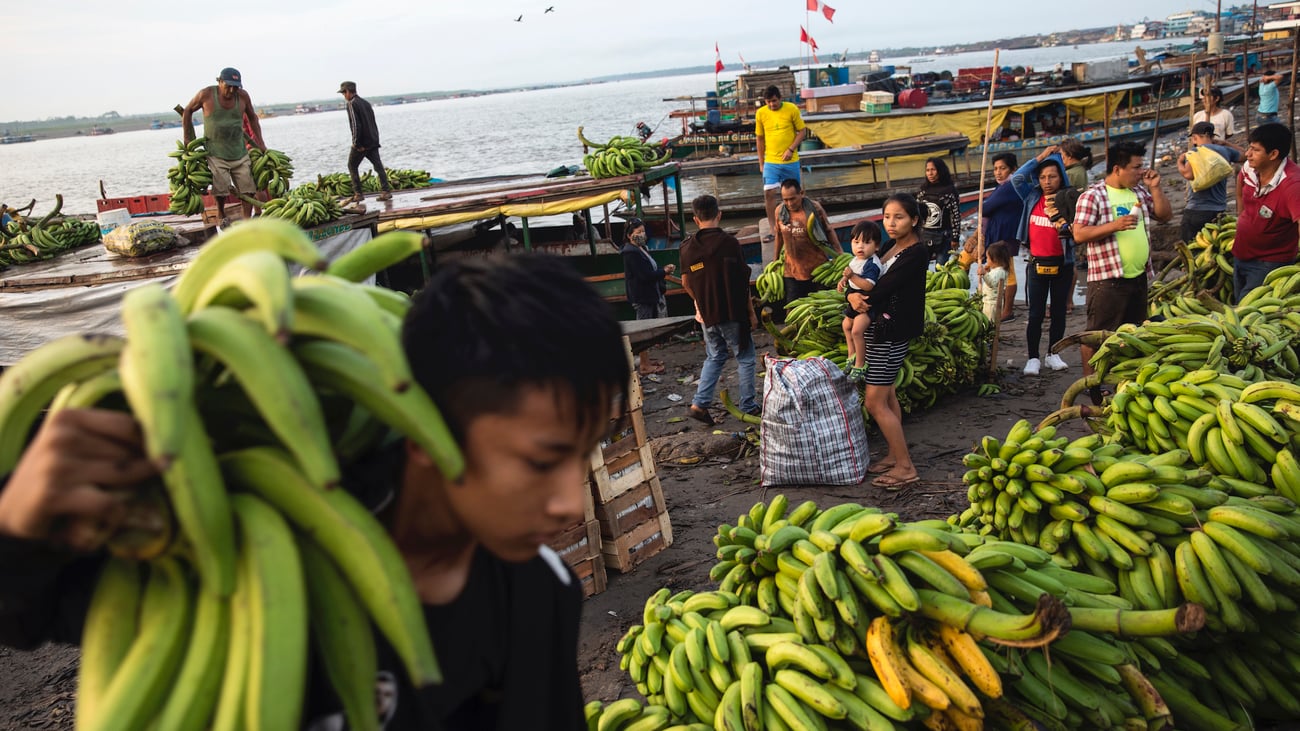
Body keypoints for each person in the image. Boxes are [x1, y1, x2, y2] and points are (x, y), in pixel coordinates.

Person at [0, 253, 631, 729]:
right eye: (540, 460)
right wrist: (16, 524)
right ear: (425, 428)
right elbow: (22, 617)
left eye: (584, 454)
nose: (569, 504)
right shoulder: (231, 550)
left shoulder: (538, 593)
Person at [1073, 141, 1173, 401]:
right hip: (1108, 280)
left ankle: (1122, 379)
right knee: (1097, 334)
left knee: (1134, 332)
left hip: (1138, 276)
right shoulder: (1093, 195)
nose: (1141, 172)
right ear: (1117, 169)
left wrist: (1156, 187)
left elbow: (1164, 215)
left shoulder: (1139, 191)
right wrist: (1114, 225)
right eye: (1136, 167)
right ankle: (1093, 384)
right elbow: (1079, 233)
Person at [860, 193, 929, 490]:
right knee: (888, 396)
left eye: (898, 217)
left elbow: (885, 287)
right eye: (887, 216)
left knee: (874, 402)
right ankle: (893, 454)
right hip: (881, 329)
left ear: (914, 220)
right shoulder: (890, 246)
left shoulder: (916, 252)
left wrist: (858, 297)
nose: (890, 222)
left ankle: (905, 467)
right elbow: (873, 279)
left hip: (892, 332)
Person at [680, 194, 759, 425]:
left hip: (705, 314)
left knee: (715, 356)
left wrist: (701, 302)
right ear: (719, 215)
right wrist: (751, 312)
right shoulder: (730, 244)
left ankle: (699, 403)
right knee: (745, 357)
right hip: (732, 312)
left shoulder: (687, 248)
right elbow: (742, 281)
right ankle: (748, 405)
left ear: (696, 219)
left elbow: (686, 283)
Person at [1009, 147, 1074, 376]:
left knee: (1058, 312)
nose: (1047, 181)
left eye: (1053, 176)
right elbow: (1016, 178)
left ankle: (1053, 354)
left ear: (1061, 177)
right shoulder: (1032, 196)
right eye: (1043, 177)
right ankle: (1033, 358)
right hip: (1037, 264)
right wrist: (1039, 157)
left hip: (1063, 264)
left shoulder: (1069, 198)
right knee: (1035, 313)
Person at [182, 67, 266, 225]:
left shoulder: (242, 96)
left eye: (236, 86)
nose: (232, 90)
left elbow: (253, 118)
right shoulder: (206, 94)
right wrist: (188, 137)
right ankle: (221, 214)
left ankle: (247, 221)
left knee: (247, 187)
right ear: (220, 82)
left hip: (239, 151)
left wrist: (260, 143)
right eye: (228, 86)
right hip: (216, 151)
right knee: (220, 187)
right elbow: (187, 111)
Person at [1233, 122, 1300, 302]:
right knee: (1238, 301)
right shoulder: (1250, 168)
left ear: (1273, 154)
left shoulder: (1292, 186)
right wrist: (1241, 218)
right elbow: (1239, 187)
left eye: (1255, 150)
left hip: (1269, 264)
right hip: (1240, 254)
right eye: (1249, 148)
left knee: (1245, 314)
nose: (1247, 154)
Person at [619, 217, 676, 374]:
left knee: (647, 328)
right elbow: (644, 275)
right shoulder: (630, 253)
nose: (642, 234)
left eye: (643, 231)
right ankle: (644, 365)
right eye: (638, 232)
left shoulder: (641, 248)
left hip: (649, 295)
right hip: (642, 297)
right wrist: (664, 272)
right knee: (643, 331)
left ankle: (646, 359)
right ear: (630, 235)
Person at [774, 179, 838, 307]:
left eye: (792, 199)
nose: (789, 203)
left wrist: (838, 253)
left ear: (801, 193)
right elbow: (779, 236)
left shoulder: (814, 208)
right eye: (785, 200)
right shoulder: (780, 212)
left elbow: (828, 230)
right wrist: (775, 260)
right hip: (792, 268)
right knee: (792, 308)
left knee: (821, 306)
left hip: (817, 266)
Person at [755, 86, 807, 244]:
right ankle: (773, 229)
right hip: (771, 161)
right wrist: (761, 163)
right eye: (768, 102)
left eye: (774, 101)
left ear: (780, 98)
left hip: (790, 161)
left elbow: (802, 131)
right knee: (769, 193)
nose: (772, 105)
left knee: (794, 195)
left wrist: (791, 149)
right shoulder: (761, 113)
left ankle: (797, 226)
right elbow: (760, 138)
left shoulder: (791, 109)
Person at [1177, 121, 1243, 244]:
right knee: (1215, 247)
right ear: (1212, 137)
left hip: (1196, 210)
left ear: (1195, 138)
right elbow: (1245, 155)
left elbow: (1188, 174)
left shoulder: (1194, 153)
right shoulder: (1225, 151)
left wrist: (1180, 163)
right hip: (1219, 210)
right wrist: (1226, 143)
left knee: (1191, 250)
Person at [977, 152, 1023, 321]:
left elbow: (986, 208)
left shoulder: (1009, 186)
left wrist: (985, 205)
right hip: (1002, 233)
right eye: (995, 169)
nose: (998, 172)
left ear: (1012, 169)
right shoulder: (1003, 186)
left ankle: (1007, 310)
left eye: (1002, 168)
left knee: (1007, 271)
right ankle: (1000, 306)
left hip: (1006, 235)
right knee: (1001, 269)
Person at [837, 221, 884, 383]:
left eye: (866, 242)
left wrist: (851, 277)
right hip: (854, 299)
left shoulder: (872, 264)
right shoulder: (856, 260)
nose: (860, 247)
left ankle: (860, 364)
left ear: (876, 246)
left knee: (857, 330)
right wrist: (843, 280)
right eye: (856, 242)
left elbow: (868, 286)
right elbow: (850, 272)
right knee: (846, 325)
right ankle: (852, 354)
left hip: (867, 303)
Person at [338, 81, 393, 204]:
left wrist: (356, 144)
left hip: (362, 143)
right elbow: (372, 123)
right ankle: (386, 191)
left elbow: (355, 125)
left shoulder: (352, 104)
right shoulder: (366, 103)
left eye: (343, 93)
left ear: (348, 92)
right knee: (378, 166)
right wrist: (375, 140)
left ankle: (358, 194)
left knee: (352, 165)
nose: (344, 96)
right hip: (372, 140)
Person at [917, 158, 961, 264]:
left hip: (944, 236)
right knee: (921, 267)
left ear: (940, 171)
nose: (930, 173)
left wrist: (955, 238)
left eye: (933, 170)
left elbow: (955, 215)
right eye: (928, 170)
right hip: (925, 235)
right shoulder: (923, 190)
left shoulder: (949, 191)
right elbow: (917, 213)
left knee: (940, 268)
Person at [980, 241, 1012, 323]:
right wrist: (988, 272)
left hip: (992, 304)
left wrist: (985, 274)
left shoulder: (1000, 272)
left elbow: (992, 283)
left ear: (995, 260)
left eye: (988, 258)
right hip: (988, 301)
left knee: (989, 322)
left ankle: (991, 334)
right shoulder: (996, 270)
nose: (986, 260)